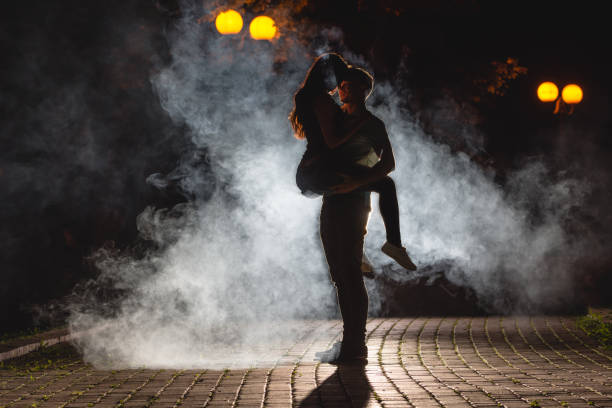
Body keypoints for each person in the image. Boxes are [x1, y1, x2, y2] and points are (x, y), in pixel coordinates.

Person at [290, 53, 416, 272]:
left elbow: (381, 163)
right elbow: (331, 142)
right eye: (341, 83)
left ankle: (366, 249)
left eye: (347, 84)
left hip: (329, 174)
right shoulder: (328, 107)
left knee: (368, 187)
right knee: (369, 188)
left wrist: (359, 179)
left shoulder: (370, 124)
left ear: (363, 91)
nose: (341, 88)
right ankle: (376, 247)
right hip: (321, 173)